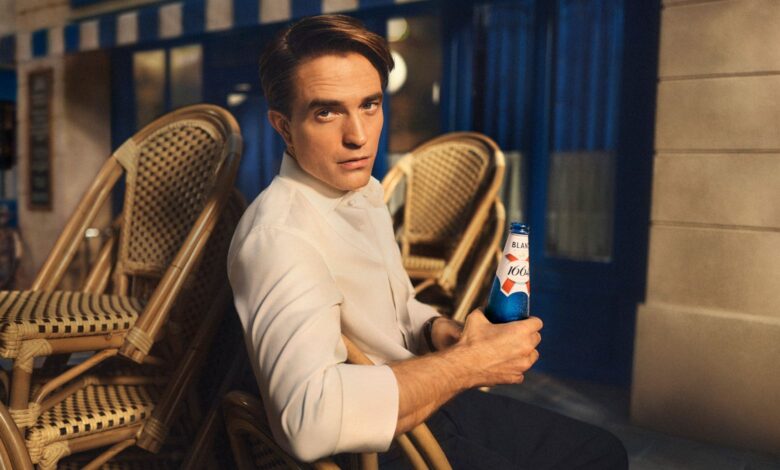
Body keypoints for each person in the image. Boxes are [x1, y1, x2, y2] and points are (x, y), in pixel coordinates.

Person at [227, 14, 628, 469]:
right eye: (327, 112)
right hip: (375, 446)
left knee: (601, 451)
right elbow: (307, 421)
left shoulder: (363, 191)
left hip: (424, 393)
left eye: (370, 105)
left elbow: (394, 308)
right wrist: (470, 363)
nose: (358, 136)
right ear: (283, 127)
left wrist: (435, 329)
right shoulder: (280, 237)